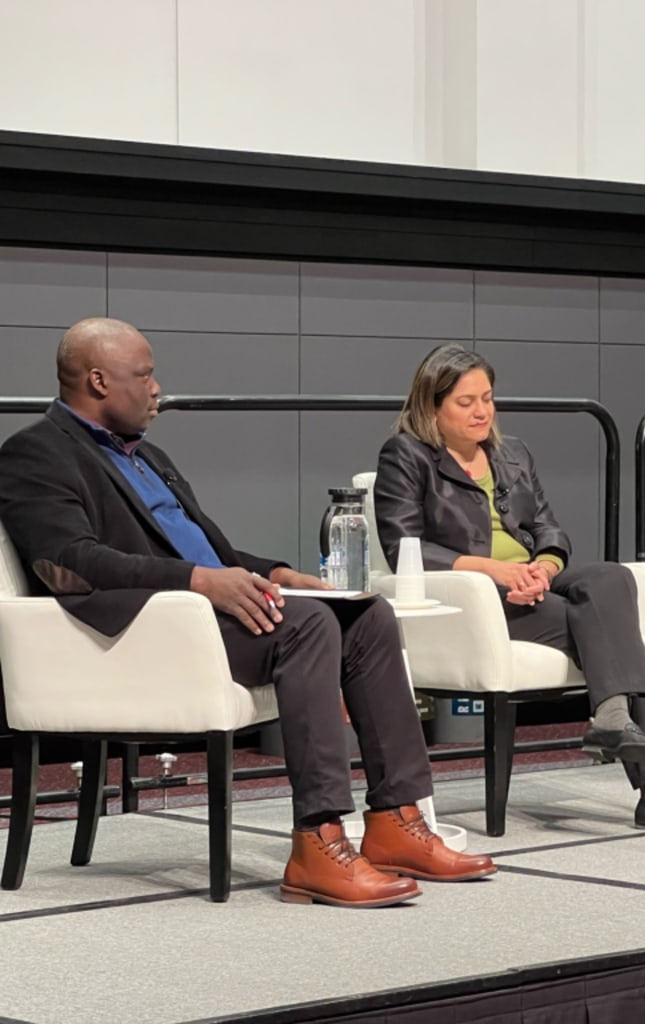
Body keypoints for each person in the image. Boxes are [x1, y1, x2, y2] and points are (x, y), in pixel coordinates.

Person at [0, 317, 495, 907]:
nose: (157, 388)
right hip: (143, 633)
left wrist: (278, 574)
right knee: (308, 627)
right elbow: (68, 561)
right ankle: (319, 841)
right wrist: (197, 582)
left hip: (203, 614)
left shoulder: (148, 456)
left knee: (368, 616)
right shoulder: (35, 453)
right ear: (99, 380)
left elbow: (213, 553)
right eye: (145, 375)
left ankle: (396, 820)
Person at [373, 343, 645, 833]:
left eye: (487, 398)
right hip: (473, 598)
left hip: (531, 579)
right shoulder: (406, 456)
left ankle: (613, 720)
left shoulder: (512, 453)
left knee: (612, 577)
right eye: (466, 402)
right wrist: (496, 572)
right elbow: (404, 549)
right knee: (611, 629)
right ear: (431, 407)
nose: (482, 412)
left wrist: (543, 565)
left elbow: (548, 527)